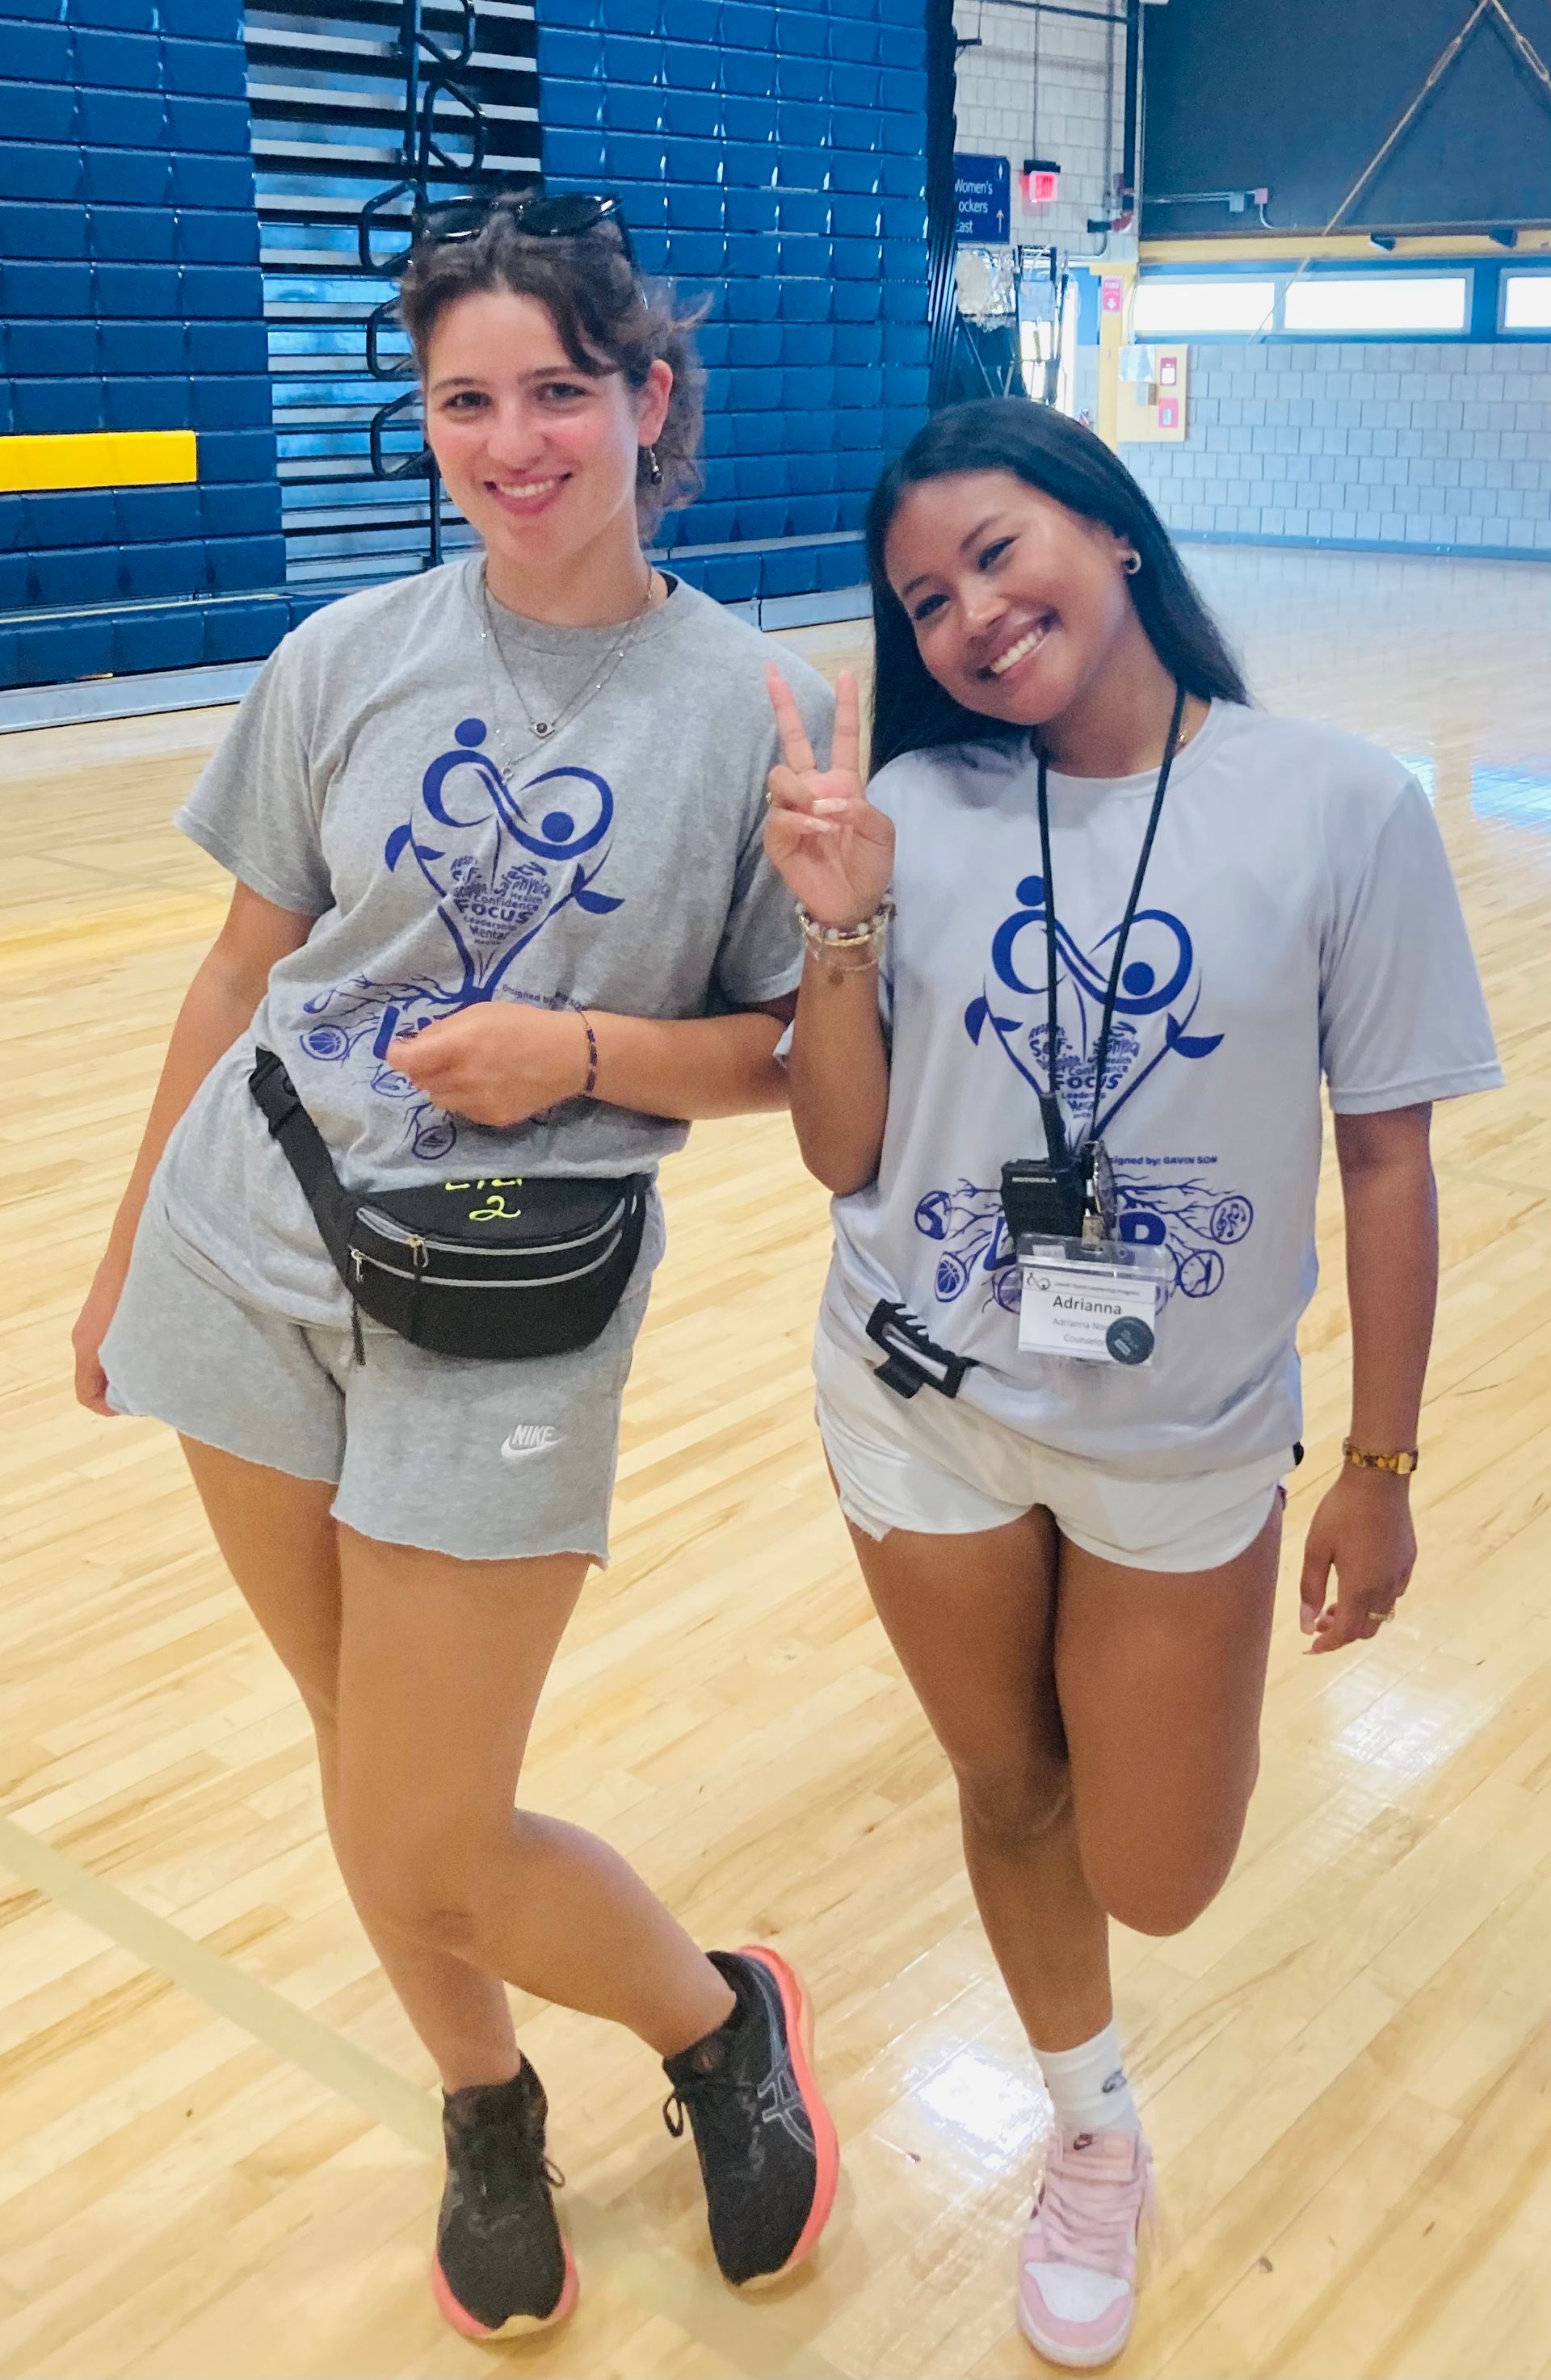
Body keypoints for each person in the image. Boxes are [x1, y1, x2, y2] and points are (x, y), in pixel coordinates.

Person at [71, 192, 839, 2340]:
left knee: (420, 1816)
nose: (514, 444)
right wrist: (131, 1251)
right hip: (249, 1242)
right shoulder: (343, 656)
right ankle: (483, 2096)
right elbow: (241, 966)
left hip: (508, 1303)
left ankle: (714, 2021)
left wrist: (572, 1053)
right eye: (466, 401)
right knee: (365, 1763)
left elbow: (792, 1056)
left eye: (560, 394)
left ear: (647, 400)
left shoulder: (755, 705)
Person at [763, 396, 1500, 2370]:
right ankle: (1090, 2131)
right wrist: (837, 918)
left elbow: (1388, 1156)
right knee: (1009, 1787)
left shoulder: (1342, 802)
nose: (971, 618)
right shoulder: (916, 815)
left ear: (1112, 532)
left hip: (1180, 1437)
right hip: (919, 1392)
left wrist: (1380, 1460)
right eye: (925, 598)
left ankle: (1122, 1762)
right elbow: (839, 1151)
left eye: (1000, 553)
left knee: (1158, 1870)